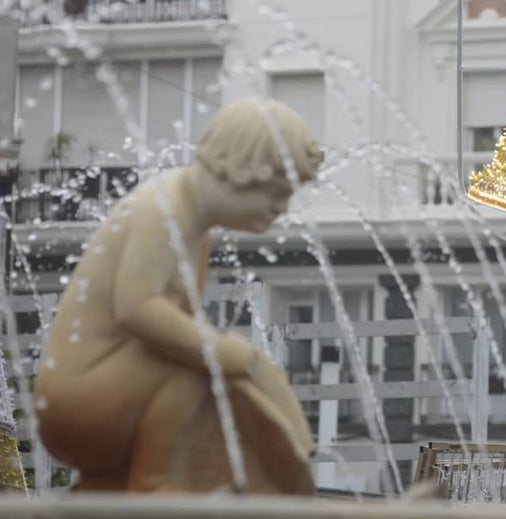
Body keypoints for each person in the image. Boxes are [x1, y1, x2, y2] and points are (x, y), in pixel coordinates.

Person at [34, 97, 323, 493]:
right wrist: (225, 353)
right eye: (277, 192)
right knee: (198, 358)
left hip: (112, 402)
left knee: (212, 356)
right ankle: (152, 483)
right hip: (76, 406)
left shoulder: (193, 225)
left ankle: (117, 485)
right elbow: (137, 308)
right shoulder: (163, 208)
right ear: (239, 169)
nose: (282, 208)